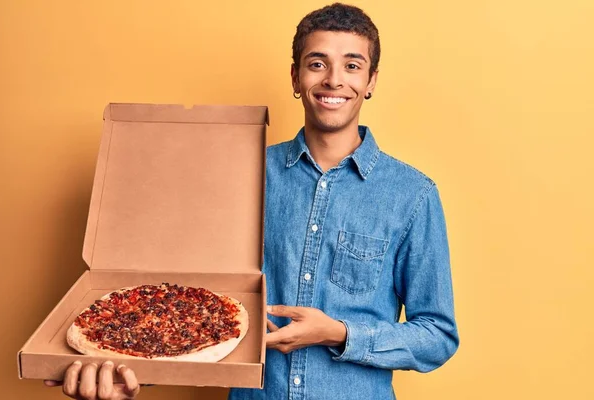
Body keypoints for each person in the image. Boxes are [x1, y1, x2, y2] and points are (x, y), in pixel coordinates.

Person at [46, 3, 459, 399]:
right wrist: (128, 372)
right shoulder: (241, 173)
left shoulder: (412, 195)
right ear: (296, 78)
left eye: (352, 65)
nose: (334, 79)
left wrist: (338, 332)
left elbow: (437, 336)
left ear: (370, 82)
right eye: (317, 64)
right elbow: (192, 305)